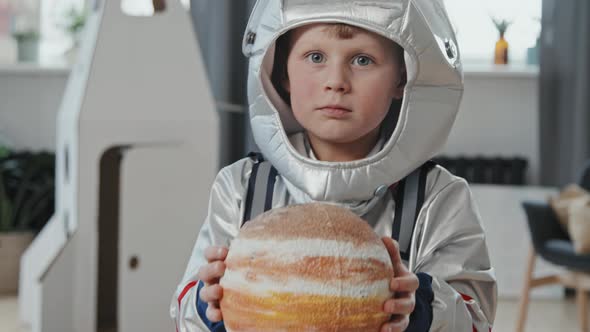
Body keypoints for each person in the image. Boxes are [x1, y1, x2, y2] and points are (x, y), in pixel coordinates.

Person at [171, 1, 497, 331]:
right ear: (282, 71)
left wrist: (420, 307)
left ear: (404, 77)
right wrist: (208, 301)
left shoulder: (438, 198)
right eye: (316, 57)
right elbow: (186, 315)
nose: (336, 81)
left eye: (362, 59)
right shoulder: (241, 187)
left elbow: (475, 322)